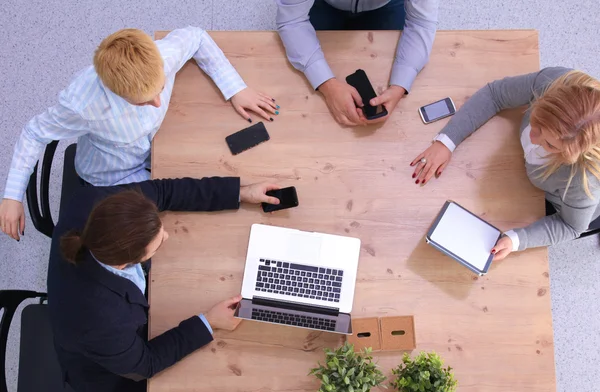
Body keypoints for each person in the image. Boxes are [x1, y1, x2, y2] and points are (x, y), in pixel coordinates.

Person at [0, 26, 279, 241]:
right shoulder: (81, 105)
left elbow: (196, 36)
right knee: (180, 230)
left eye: (160, 89)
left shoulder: (162, 54)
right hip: (114, 175)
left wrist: (236, 88)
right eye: (145, 101)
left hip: (156, 144)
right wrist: (12, 196)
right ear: (117, 93)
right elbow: (34, 133)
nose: (157, 103)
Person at [48, 176, 281, 392]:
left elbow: (162, 190)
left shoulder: (97, 204)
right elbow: (146, 363)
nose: (167, 236)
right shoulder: (100, 320)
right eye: (157, 244)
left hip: (117, 319)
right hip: (105, 371)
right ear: (125, 262)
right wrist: (208, 322)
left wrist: (240, 193)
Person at [410, 67, 600, 260]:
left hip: (566, 206)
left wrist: (517, 240)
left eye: (549, 144)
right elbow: (495, 94)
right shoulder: (553, 81)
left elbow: (571, 226)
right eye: (538, 122)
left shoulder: (584, 183)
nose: (533, 139)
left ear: (570, 154)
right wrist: (447, 141)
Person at [276, 0, 438, 126]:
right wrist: (327, 85)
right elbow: (292, 21)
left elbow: (421, 23)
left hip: (386, 6)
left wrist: (399, 86)